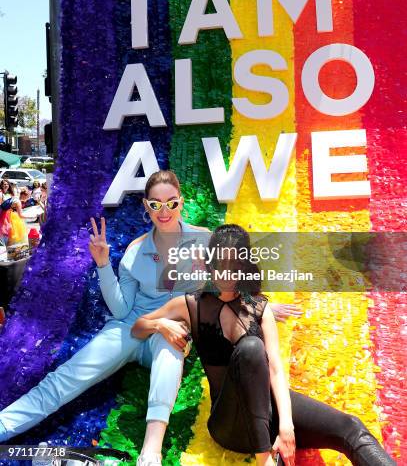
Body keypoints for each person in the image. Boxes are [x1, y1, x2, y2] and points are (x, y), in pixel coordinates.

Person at [0, 170, 301, 466]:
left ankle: (150, 453)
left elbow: (227, 280)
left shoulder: (205, 241)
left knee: (172, 347)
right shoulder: (134, 251)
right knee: (65, 377)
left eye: (171, 202)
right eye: (155, 204)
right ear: (147, 207)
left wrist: (258, 308)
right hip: (130, 327)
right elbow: (121, 310)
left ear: (180, 202)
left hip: (173, 329)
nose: (164, 210)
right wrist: (104, 265)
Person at [132, 224, 396, 466]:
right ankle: (264, 459)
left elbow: (276, 371)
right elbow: (139, 326)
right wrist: (160, 325)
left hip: (266, 413)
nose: (227, 273)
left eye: (234, 265)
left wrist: (287, 426)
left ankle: (272, 450)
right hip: (229, 425)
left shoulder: (260, 308)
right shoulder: (192, 304)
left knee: (350, 427)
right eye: (220, 264)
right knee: (251, 349)